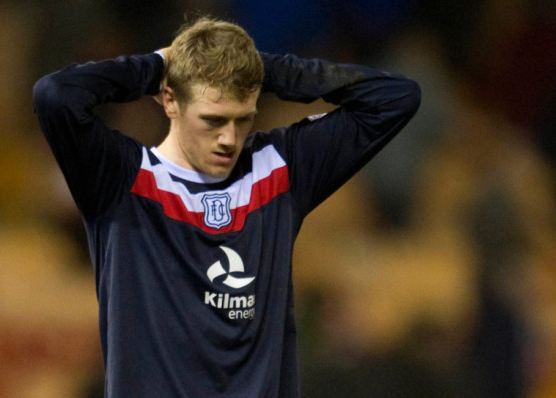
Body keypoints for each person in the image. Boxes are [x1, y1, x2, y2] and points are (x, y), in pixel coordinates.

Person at [33, 17, 420, 398]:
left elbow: (395, 98)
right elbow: (55, 95)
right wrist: (156, 66)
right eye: (213, 120)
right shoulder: (120, 178)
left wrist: (260, 69)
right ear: (170, 100)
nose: (229, 139)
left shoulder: (282, 168)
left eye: (243, 119)